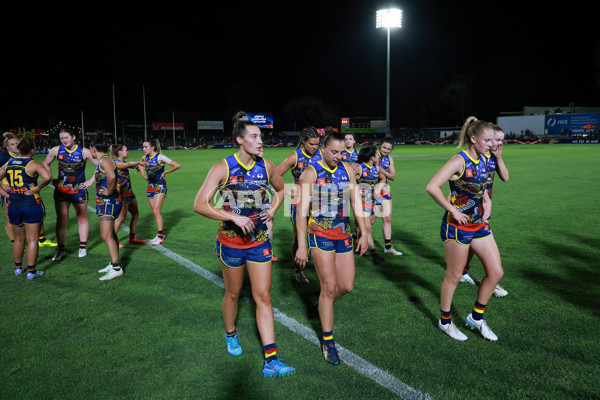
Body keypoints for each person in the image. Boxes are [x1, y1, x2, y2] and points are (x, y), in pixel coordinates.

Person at [194, 111, 295, 378]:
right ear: (240, 140)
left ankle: (271, 360)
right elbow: (199, 205)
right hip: (230, 242)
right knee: (233, 294)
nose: (261, 141)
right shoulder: (222, 168)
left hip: (259, 241)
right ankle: (230, 334)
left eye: (261, 136)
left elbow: (281, 189)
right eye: (254, 136)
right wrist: (233, 217)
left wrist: (272, 210)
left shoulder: (267, 165)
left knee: (263, 296)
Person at [425, 116, 504, 342]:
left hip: (479, 224)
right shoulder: (459, 160)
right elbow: (432, 187)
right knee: (455, 275)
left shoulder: (486, 158)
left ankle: (476, 318)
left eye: (492, 140)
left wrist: (487, 201)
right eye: (487, 140)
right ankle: (445, 322)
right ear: (473, 139)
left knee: (496, 273)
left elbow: (479, 187)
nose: (492, 144)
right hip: (458, 227)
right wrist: (453, 210)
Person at [295, 131, 369, 366]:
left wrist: (364, 231)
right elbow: (300, 212)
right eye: (334, 152)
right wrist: (302, 246)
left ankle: (321, 304)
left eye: (342, 152)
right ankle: (328, 341)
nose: (339, 156)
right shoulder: (311, 172)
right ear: (323, 150)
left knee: (346, 286)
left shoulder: (347, 170)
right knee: (328, 286)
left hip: (343, 234)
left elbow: (356, 201)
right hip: (320, 234)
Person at [459, 124, 509, 297]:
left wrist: (500, 158)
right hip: (474, 208)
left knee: (475, 242)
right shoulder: (476, 157)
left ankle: (463, 272)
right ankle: (492, 280)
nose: (500, 144)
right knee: (485, 243)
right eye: (497, 140)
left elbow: (505, 177)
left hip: (484, 207)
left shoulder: (492, 157)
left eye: (502, 141)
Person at [0, 138, 51, 279]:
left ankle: (17, 269)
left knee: (18, 240)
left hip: (14, 205)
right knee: (33, 239)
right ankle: (31, 272)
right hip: (30, 204)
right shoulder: (33, 164)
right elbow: (47, 177)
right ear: (32, 150)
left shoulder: (9, 163)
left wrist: (6, 195)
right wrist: (37, 188)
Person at [276, 127, 321, 284]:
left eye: (317, 144)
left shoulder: (321, 154)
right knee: (298, 236)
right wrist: (286, 190)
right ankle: (298, 270)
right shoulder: (294, 157)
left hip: (318, 202)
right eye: (311, 144)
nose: (315, 147)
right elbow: (273, 175)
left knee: (320, 233)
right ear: (303, 141)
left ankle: (322, 264)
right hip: (299, 202)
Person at [43, 128, 97, 260]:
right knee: (61, 220)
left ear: (73, 137)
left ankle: (82, 247)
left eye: (66, 137)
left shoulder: (84, 151)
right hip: (61, 191)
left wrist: (90, 181)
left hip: (78, 190)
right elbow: (45, 163)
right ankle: (61, 250)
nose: (64, 140)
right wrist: (50, 179)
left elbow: (101, 165)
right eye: (62, 138)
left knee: (82, 219)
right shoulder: (56, 150)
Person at [2, 133, 57, 248]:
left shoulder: (25, 159)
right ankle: (16, 243)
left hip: (26, 192)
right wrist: (3, 186)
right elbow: (47, 177)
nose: (16, 146)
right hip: (11, 192)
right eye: (12, 144)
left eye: (17, 143)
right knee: (11, 219)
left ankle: (41, 240)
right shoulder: (4, 158)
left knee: (37, 214)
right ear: (7, 147)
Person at [85, 134, 123, 280]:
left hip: (108, 202)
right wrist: (90, 182)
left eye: (90, 148)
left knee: (106, 235)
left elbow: (112, 176)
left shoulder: (105, 159)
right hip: (105, 202)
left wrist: (109, 190)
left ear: (94, 149)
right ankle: (114, 263)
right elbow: (102, 176)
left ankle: (116, 268)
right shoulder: (103, 160)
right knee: (111, 234)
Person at [137, 139, 181, 245]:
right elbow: (140, 165)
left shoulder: (160, 157)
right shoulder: (144, 158)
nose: (143, 149)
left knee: (156, 211)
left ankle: (160, 236)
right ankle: (160, 234)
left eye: (146, 147)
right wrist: (143, 174)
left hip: (160, 185)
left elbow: (177, 165)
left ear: (152, 147)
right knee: (155, 212)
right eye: (143, 147)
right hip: (150, 186)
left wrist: (165, 172)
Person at [354, 145, 386, 265]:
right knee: (367, 228)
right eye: (377, 155)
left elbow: (383, 179)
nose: (379, 156)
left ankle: (355, 237)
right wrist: (356, 189)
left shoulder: (376, 169)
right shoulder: (359, 168)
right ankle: (374, 254)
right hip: (360, 203)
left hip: (371, 201)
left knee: (368, 225)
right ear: (372, 157)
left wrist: (378, 189)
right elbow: (347, 182)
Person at [111, 144, 146, 245]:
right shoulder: (115, 163)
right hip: (121, 194)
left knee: (135, 214)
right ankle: (113, 241)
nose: (128, 152)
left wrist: (143, 172)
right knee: (121, 218)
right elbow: (128, 165)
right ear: (120, 152)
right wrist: (139, 162)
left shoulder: (123, 162)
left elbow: (136, 166)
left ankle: (132, 238)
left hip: (129, 192)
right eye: (126, 150)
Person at [377, 137, 403, 256]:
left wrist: (383, 171)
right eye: (384, 147)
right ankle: (356, 238)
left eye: (388, 149)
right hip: (371, 190)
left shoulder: (389, 159)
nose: (385, 150)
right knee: (369, 221)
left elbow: (393, 177)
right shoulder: (373, 155)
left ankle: (388, 247)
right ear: (380, 146)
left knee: (387, 218)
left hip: (384, 190)